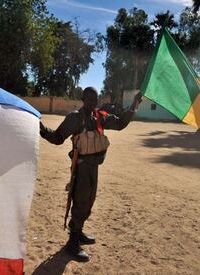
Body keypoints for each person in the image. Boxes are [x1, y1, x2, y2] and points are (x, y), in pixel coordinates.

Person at [39, 87, 142, 261]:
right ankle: (72, 242)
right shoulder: (75, 118)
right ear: (83, 99)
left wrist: (134, 103)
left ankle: (78, 233)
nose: (93, 102)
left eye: (95, 99)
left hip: (94, 166)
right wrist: (41, 129)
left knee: (89, 201)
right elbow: (58, 138)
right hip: (81, 167)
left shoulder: (99, 117)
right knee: (80, 201)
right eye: (89, 99)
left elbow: (120, 123)